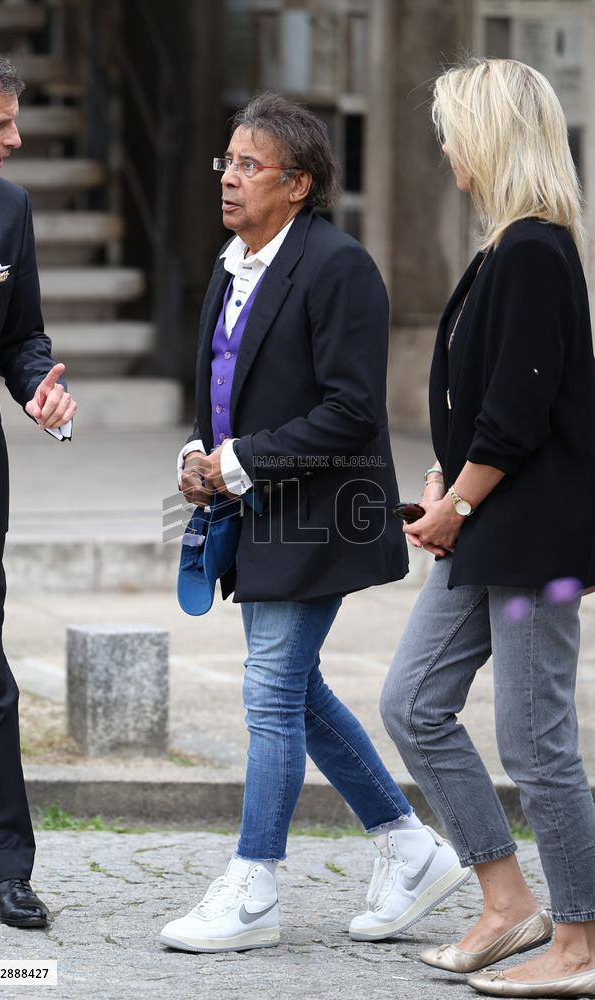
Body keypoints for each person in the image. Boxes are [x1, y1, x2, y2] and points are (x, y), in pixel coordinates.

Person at [160, 92, 469, 955]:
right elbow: (217, 387)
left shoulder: (339, 268)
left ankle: (253, 884)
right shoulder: (229, 265)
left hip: (321, 519)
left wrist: (238, 460)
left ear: (297, 184)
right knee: (293, 690)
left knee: (268, 691)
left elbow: (349, 412)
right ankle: (409, 850)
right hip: (255, 515)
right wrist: (197, 452)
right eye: (226, 161)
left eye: (248, 165)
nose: (228, 177)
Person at [381, 58, 595, 998]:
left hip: (529, 540)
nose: (442, 147)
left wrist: (453, 502)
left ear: (491, 136)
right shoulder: (502, 250)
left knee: (536, 739)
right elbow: (483, 405)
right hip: (485, 527)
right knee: (412, 703)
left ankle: (581, 945)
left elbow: (518, 413)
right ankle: (508, 906)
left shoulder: (535, 251)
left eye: (452, 128)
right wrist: (444, 481)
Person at [0, 41, 76, 927]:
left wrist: (41, 387)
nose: (15, 139)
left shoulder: (9, 209)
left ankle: (4, 873)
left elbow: (20, 335)